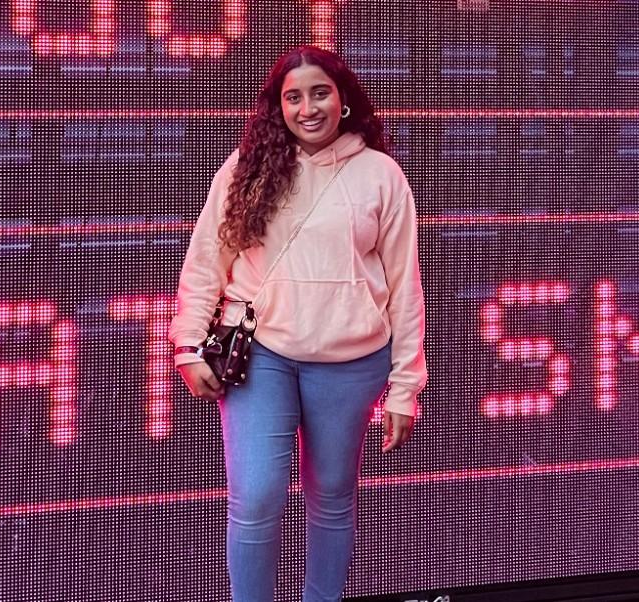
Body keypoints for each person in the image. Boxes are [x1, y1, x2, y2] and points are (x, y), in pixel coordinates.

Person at [169, 45, 427, 602]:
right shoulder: (246, 167)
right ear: (277, 107)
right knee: (256, 496)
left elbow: (405, 285)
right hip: (262, 355)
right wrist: (188, 347)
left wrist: (406, 388)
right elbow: (207, 260)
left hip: (352, 362)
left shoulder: (381, 174)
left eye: (319, 92)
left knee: (332, 496)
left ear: (343, 100)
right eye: (293, 97)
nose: (307, 107)